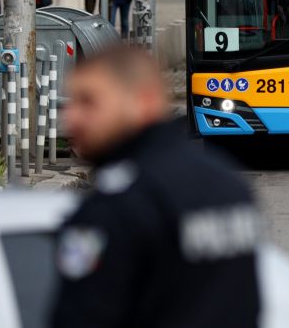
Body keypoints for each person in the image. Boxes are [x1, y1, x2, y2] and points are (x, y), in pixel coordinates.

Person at [51, 46, 261, 328]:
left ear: (144, 101)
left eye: (89, 102)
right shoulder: (228, 185)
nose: (71, 118)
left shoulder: (117, 207)